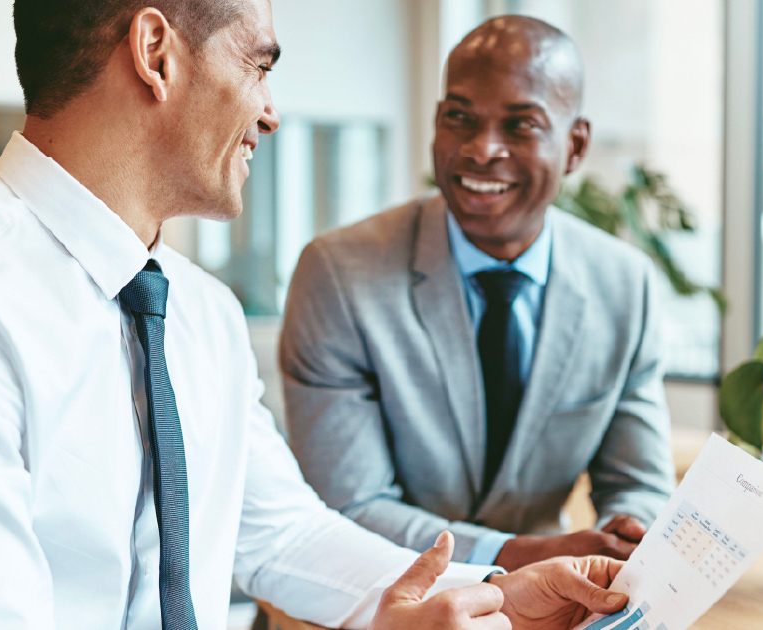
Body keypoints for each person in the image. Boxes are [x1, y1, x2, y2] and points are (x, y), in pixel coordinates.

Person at [0, 2, 631, 629]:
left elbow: (286, 536)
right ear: (156, 54)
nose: (270, 113)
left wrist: (499, 589)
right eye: (259, 65)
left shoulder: (202, 314)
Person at [281, 16, 676, 573]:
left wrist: (629, 531)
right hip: (376, 603)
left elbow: (640, 485)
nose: (481, 149)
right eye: (459, 118)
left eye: (520, 126)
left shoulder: (624, 285)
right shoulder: (341, 275)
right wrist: (524, 555)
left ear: (576, 146)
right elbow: (349, 508)